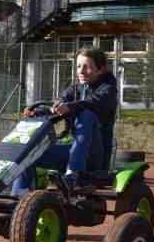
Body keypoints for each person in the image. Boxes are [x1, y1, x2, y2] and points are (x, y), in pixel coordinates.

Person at [11, 47, 119, 196]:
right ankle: (20, 197)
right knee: (28, 155)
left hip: (95, 157)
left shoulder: (108, 90)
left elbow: (91, 103)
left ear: (101, 69)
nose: (81, 71)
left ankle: (73, 176)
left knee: (86, 114)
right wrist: (37, 112)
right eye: (79, 66)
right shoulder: (75, 89)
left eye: (87, 67)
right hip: (73, 150)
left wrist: (69, 107)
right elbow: (58, 105)